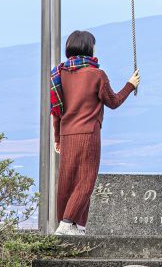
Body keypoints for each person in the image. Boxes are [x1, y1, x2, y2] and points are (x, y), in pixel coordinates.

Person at [49, 29, 140, 235]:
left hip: (66, 134)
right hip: (88, 134)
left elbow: (56, 111)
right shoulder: (96, 74)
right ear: (89, 48)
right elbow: (114, 101)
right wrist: (130, 85)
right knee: (86, 181)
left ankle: (77, 227)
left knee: (68, 180)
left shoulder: (58, 74)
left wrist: (57, 138)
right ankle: (66, 224)